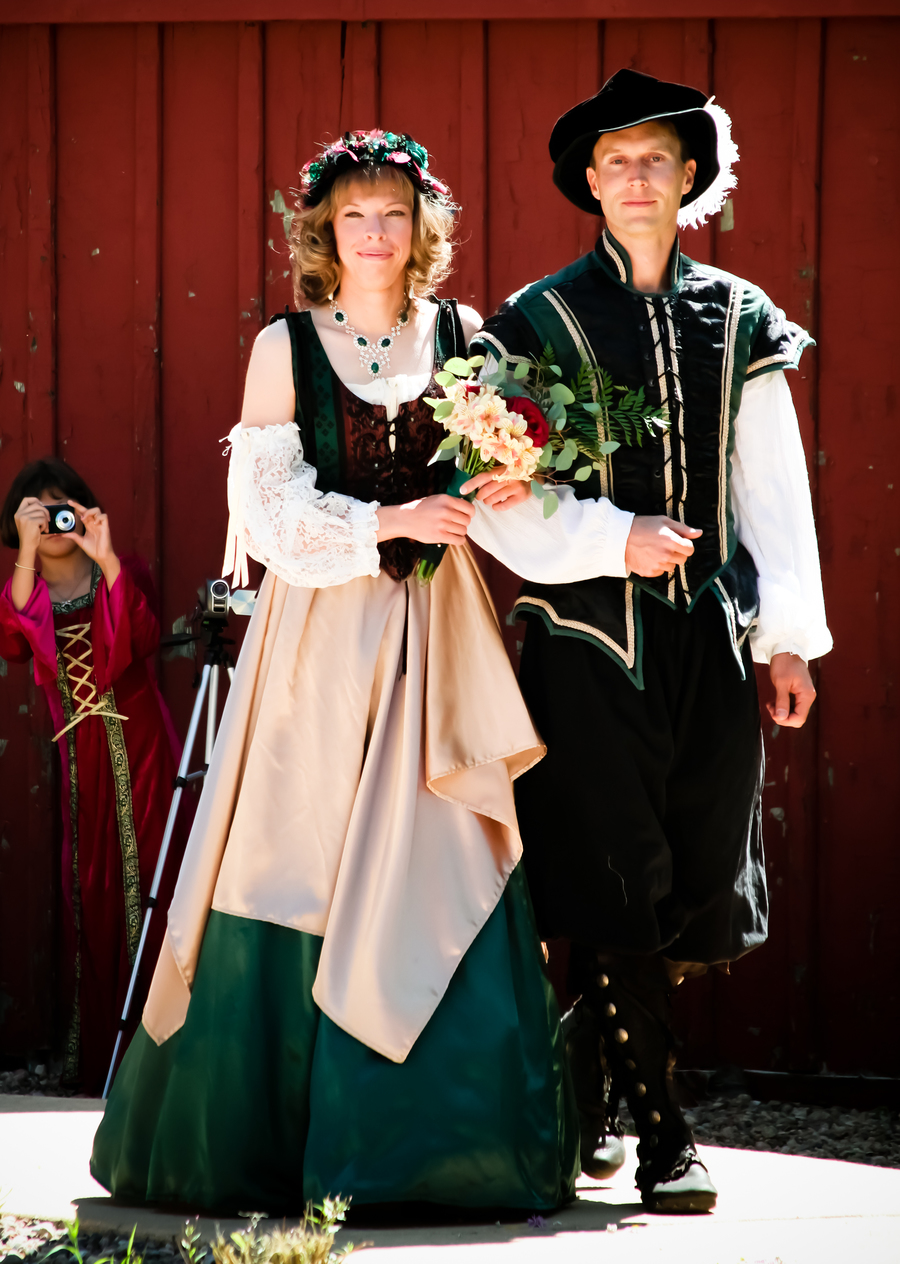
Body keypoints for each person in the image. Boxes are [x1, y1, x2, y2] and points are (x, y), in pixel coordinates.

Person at [90, 129, 578, 1214]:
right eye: (354, 216)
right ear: (324, 231)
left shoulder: (462, 336)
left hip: (433, 639)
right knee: (296, 856)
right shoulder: (285, 346)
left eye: (394, 214)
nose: (375, 232)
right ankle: (269, 1147)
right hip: (318, 640)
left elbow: (502, 471)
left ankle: (437, 1150)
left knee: (436, 847)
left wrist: (500, 483)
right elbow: (266, 516)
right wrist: (388, 518)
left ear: (422, 231)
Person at [466, 69, 832, 1212]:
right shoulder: (533, 321)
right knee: (617, 871)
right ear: (589, 180)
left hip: (712, 637)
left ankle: (585, 1056)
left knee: (701, 873)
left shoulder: (740, 314)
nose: (635, 177)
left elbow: (772, 486)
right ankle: (669, 1133)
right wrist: (611, 535)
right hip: (584, 635)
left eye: (656, 161)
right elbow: (495, 500)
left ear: (689, 180)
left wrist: (788, 640)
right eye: (615, 160)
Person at [0, 459, 187, 1095]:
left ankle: (155, 1055)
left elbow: (134, 640)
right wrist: (27, 549)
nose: (53, 520)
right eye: (35, 509)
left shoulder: (123, 569)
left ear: (85, 510)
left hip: (140, 748)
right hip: (81, 763)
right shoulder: (26, 589)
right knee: (91, 893)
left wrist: (105, 559)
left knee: (150, 880)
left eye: (62, 506)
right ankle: (103, 1053)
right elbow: (14, 637)